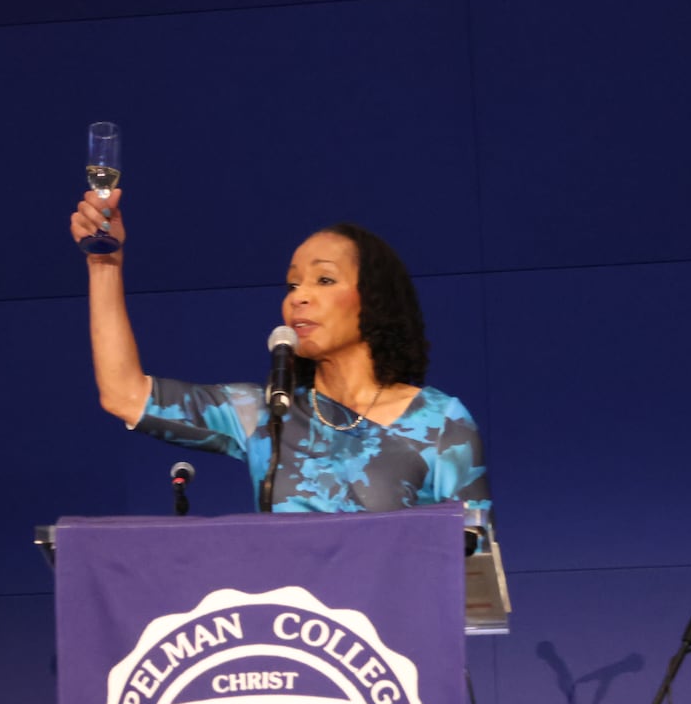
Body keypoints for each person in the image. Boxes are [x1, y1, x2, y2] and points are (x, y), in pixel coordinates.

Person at [70, 189, 490, 514]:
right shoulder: (268, 415)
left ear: (374, 299)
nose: (298, 298)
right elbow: (124, 394)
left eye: (323, 281)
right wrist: (104, 265)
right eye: (292, 285)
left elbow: (472, 577)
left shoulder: (440, 423)